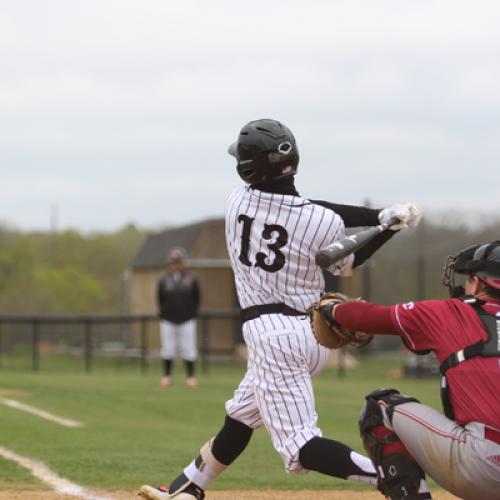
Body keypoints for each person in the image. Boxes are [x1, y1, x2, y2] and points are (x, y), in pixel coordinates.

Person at [139, 118, 421, 500]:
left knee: (301, 447)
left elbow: (304, 208)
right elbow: (342, 256)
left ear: (250, 167)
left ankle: (390, 475)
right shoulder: (321, 223)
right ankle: (189, 488)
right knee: (241, 417)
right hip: (318, 331)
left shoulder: (236, 201)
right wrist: (383, 224)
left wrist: (378, 219)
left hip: (273, 335)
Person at [318, 240, 500, 499]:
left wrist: (330, 308)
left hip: (482, 465)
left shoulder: (450, 312)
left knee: (379, 407)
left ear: (480, 282)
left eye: (469, 278)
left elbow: (366, 317)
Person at [157, 247, 201, 389]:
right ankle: (167, 377)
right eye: (174, 262)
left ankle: (190, 377)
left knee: (188, 348)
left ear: (184, 262)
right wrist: (164, 312)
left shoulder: (192, 279)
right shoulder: (164, 280)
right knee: (168, 348)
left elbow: (197, 298)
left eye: (179, 261)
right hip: (168, 318)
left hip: (187, 318)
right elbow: (160, 299)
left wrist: (192, 313)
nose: (176, 264)